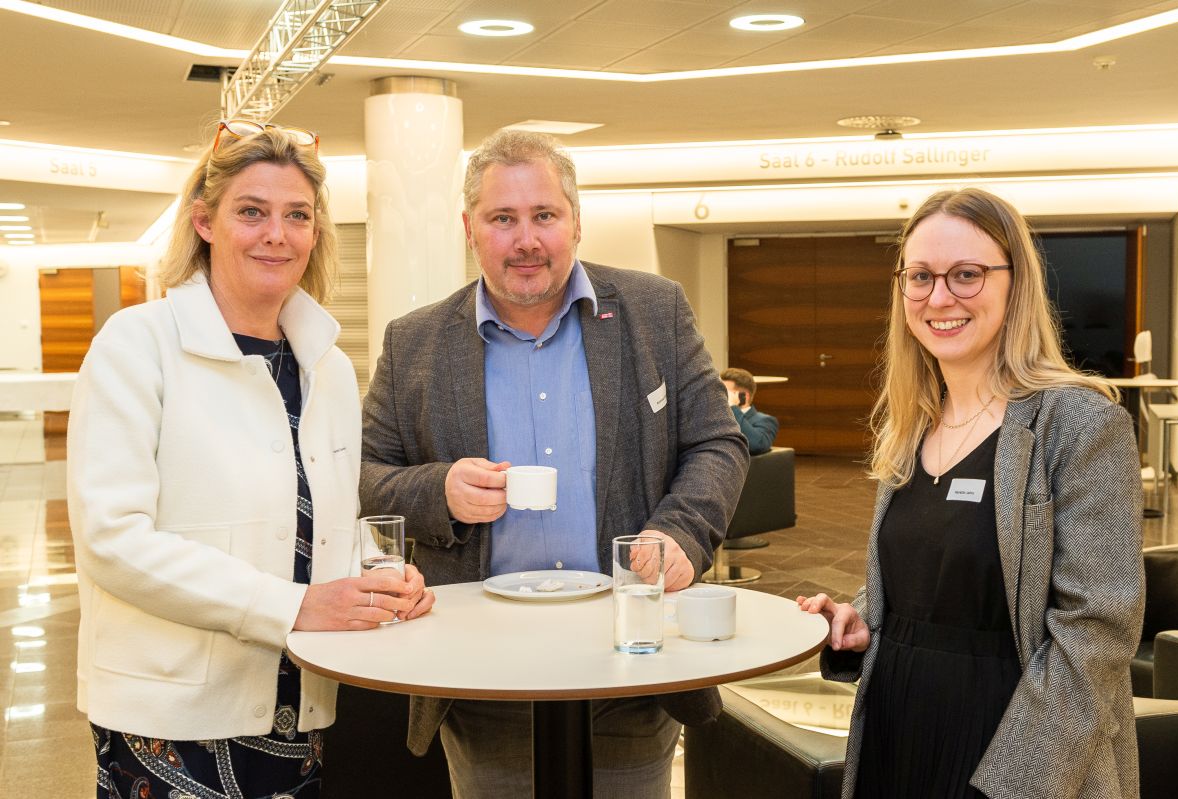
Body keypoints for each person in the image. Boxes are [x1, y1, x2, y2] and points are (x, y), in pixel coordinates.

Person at [360, 128, 749, 798]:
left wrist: (680, 533)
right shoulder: (413, 342)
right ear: (469, 228)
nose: (526, 240)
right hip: (481, 677)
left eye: (544, 215)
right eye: (502, 219)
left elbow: (717, 442)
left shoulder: (654, 311)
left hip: (631, 667)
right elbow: (366, 475)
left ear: (576, 220)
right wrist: (439, 490)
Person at [67, 120, 435, 799]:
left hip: (300, 707)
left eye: (298, 215)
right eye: (251, 212)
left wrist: (379, 577)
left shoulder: (326, 365)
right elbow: (111, 538)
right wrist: (293, 605)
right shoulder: (137, 345)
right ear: (204, 221)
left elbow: (317, 519)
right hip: (171, 716)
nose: (277, 234)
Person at [797, 187, 1143, 798]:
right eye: (921, 277)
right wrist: (863, 622)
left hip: (1014, 751)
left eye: (966, 274)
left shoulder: (1079, 424)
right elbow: (930, 578)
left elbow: (1096, 633)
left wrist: (1011, 785)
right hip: (897, 729)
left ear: (1016, 284)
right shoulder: (912, 425)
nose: (939, 298)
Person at [721, 367, 779, 455]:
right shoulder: (714, 417)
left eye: (725, 392)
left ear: (744, 396)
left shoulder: (766, 420)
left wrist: (732, 407)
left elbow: (757, 445)